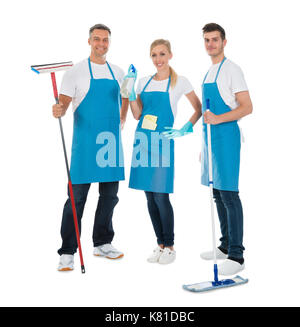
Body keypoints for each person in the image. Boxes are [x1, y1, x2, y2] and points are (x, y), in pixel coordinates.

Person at [52, 24, 129, 271]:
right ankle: (67, 251)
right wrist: (58, 110)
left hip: (110, 144)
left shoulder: (118, 72)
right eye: (97, 39)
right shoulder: (75, 73)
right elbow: (63, 104)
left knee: (110, 197)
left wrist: (123, 119)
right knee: (76, 200)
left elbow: (125, 98)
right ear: (89, 41)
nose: (101, 44)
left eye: (105, 40)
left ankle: (102, 243)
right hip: (85, 146)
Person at [126, 39, 202, 264]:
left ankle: (170, 245)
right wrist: (130, 94)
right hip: (142, 141)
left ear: (170, 55)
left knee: (161, 195)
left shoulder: (180, 82)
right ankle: (159, 244)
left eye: (162, 54)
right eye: (154, 55)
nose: (158, 60)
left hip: (162, 143)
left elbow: (198, 108)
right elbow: (137, 115)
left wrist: (185, 128)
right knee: (149, 196)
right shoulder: (143, 82)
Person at [199, 23, 253, 275]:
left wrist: (218, 120)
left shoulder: (232, 70)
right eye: (207, 40)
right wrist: (204, 147)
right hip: (211, 140)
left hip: (227, 138)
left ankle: (237, 255)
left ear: (224, 42)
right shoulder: (209, 71)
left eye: (215, 40)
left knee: (230, 195)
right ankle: (224, 245)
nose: (211, 44)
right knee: (217, 194)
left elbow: (246, 107)